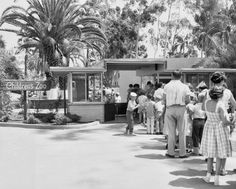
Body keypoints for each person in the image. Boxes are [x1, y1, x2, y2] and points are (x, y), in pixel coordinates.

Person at [203, 71, 236, 176]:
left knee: (211, 145)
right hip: (223, 120)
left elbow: (203, 107)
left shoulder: (208, 92)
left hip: (211, 120)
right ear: (222, 80)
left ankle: (210, 169)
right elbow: (234, 104)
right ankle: (222, 169)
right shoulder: (227, 92)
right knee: (223, 145)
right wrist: (231, 113)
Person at [200, 86, 233, 186]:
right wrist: (232, 122)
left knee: (210, 154)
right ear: (220, 95)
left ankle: (208, 175)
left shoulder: (206, 103)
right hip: (219, 129)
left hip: (209, 128)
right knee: (219, 154)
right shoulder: (220, 105)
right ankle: (217, 179)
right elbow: (224, 122)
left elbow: (204, 111)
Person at [163, 69, 191, 158]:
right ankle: (182, 153)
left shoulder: (166, 86)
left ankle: (171, 152)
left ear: (172, 75)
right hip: (181, 108)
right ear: (181, 76)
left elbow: (163, 99)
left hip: (170, 108)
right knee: (182, 131)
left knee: (171, 132)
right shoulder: (185, 86)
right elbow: (188, 99)